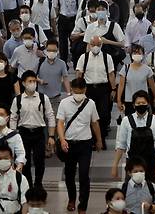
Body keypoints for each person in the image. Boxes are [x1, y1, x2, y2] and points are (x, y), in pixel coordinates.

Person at [56, 77, 103, 214]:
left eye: (80, 91)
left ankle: (83, 205)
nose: (78, 94)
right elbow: (60, 122)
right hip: (69, 144)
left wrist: (99, 140)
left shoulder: (91, 104)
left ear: (85, 90)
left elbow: (95, 123)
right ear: (71, 89)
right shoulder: (64, 103)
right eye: (75, 91)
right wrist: (62, 139)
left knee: (84, 174)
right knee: (69, 174)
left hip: (85, 144)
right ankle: (71, 199)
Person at [9, 70, 56, 189]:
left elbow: (50, 116)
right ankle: (28, 185)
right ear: (24, 83)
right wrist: (13, 136)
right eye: (30, 81)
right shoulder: (18, 100)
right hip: (23, 133)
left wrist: (51, 136)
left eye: (34, 81)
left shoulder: (42, 98)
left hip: (39, 133)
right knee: (25, 161)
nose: (33, 83)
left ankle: (38, 184)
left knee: (40, 160)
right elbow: (13, 118)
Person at [112, 90, 155, 183]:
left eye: (143, 103)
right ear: (133, 105)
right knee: (130, 192)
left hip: (150, 163)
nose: (141, 105)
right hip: (132, 163)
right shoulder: (126, 120)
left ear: (148, 104)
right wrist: (115, 165)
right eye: (138, 103)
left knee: (149, 192)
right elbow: (121, 145)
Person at [117, 45, 155, 117]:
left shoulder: (147, 69)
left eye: (139, 53)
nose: (137, 55)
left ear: (143, 54)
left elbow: (152, 85)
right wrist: (119, 100)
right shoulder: (126, 68)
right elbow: (121, 85)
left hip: (143, 101)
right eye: (135, 53)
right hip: (129, 101)